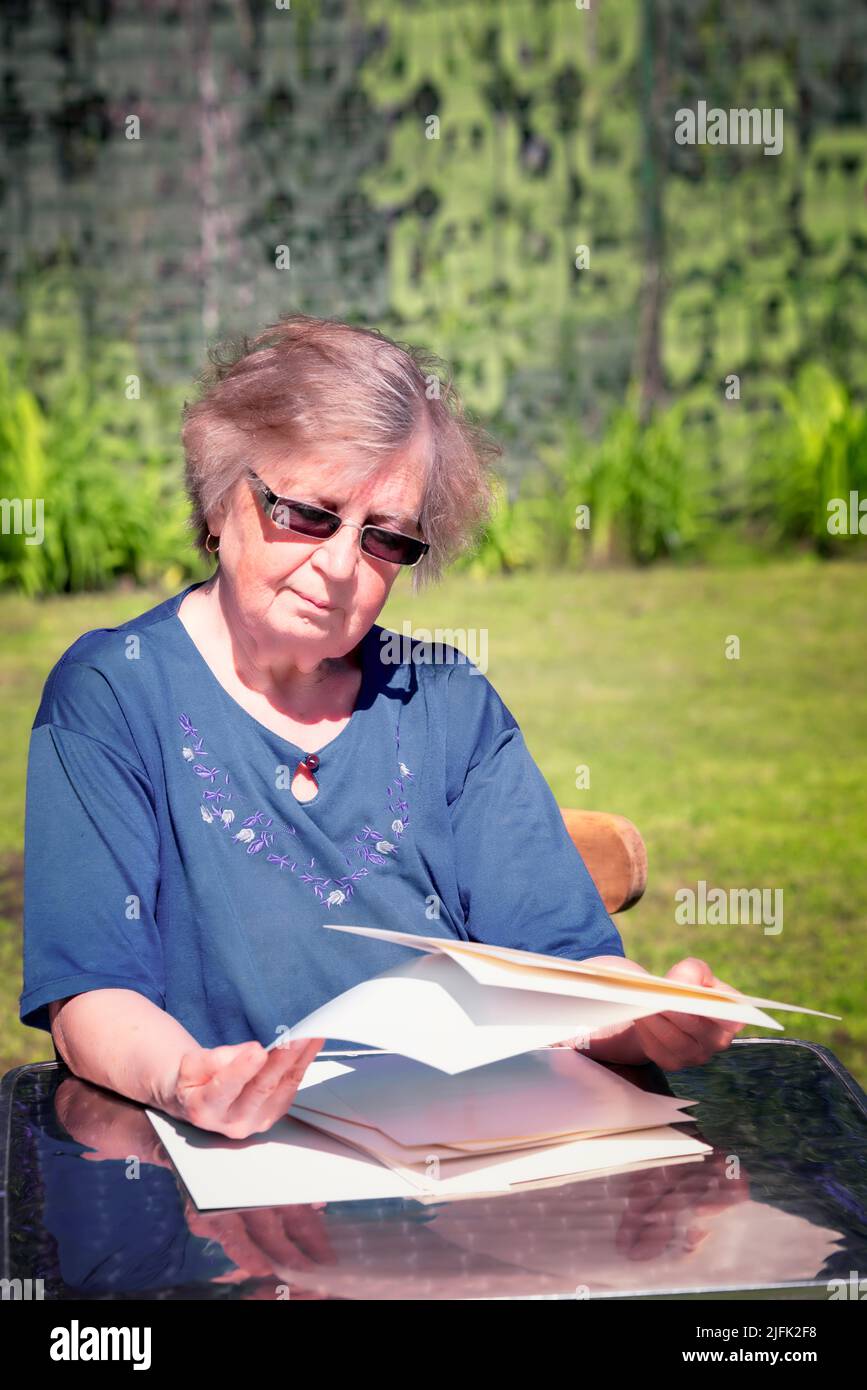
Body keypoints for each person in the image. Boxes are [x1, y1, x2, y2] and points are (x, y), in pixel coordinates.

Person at [20, 313, 742, 1139]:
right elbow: (90, 993)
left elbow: (563, 966)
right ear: (221, 498)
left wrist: (646, 1019)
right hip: (223, 1177)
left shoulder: (447, 701)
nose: (338, 568)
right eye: (309, 514)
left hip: (455, 1174)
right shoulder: (113, 694)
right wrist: (191, 1082)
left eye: (385, 538)